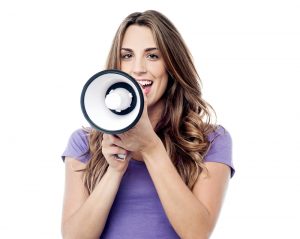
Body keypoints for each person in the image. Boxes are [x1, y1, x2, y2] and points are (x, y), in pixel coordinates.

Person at [61, 10, 234, 239]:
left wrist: (151, 148)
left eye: (153, 56)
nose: (138, 68)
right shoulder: (84, 143)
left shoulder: (210, 140)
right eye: (127, 56)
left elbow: (197, 233)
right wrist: (114, 169)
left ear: (172, 65)